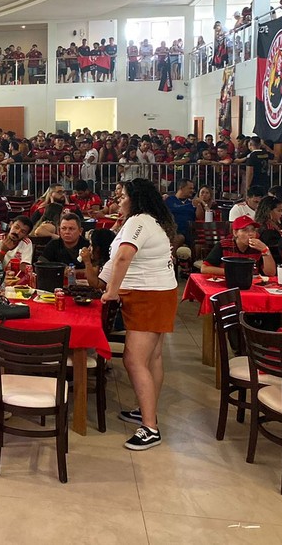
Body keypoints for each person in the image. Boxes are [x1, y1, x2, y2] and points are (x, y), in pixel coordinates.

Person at [99, 178, 179, 451]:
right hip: (158, 293)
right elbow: (115, 260)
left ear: (135, 198)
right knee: (153, 357)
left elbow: (123, 257)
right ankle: (148, 411)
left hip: (149, 296)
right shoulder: (145, 221)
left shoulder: (139, 221)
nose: (119, 200)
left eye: (122, 196)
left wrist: (110, 291)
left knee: (134, 360)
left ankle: (149, 428)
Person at [201, 216, 276, 277]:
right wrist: (232, 272)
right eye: (245, 230)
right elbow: (204, 268)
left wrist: (265, 250)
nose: (250, 234)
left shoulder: (258, 247)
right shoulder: (223, 245)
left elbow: (270, 273)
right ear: (235, 233)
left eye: (253, 230)